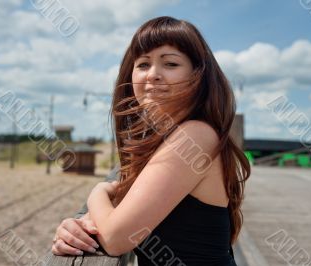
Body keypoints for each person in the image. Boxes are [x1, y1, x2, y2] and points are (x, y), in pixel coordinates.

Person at [51, 16, 251, 265]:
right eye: (143, 64)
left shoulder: (194, 136)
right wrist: (76, 227)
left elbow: (115, 238)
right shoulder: (163, 139)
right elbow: (121, 218)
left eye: (170, 63)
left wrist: (97, 191)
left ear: (198, 75)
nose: (153, 75)